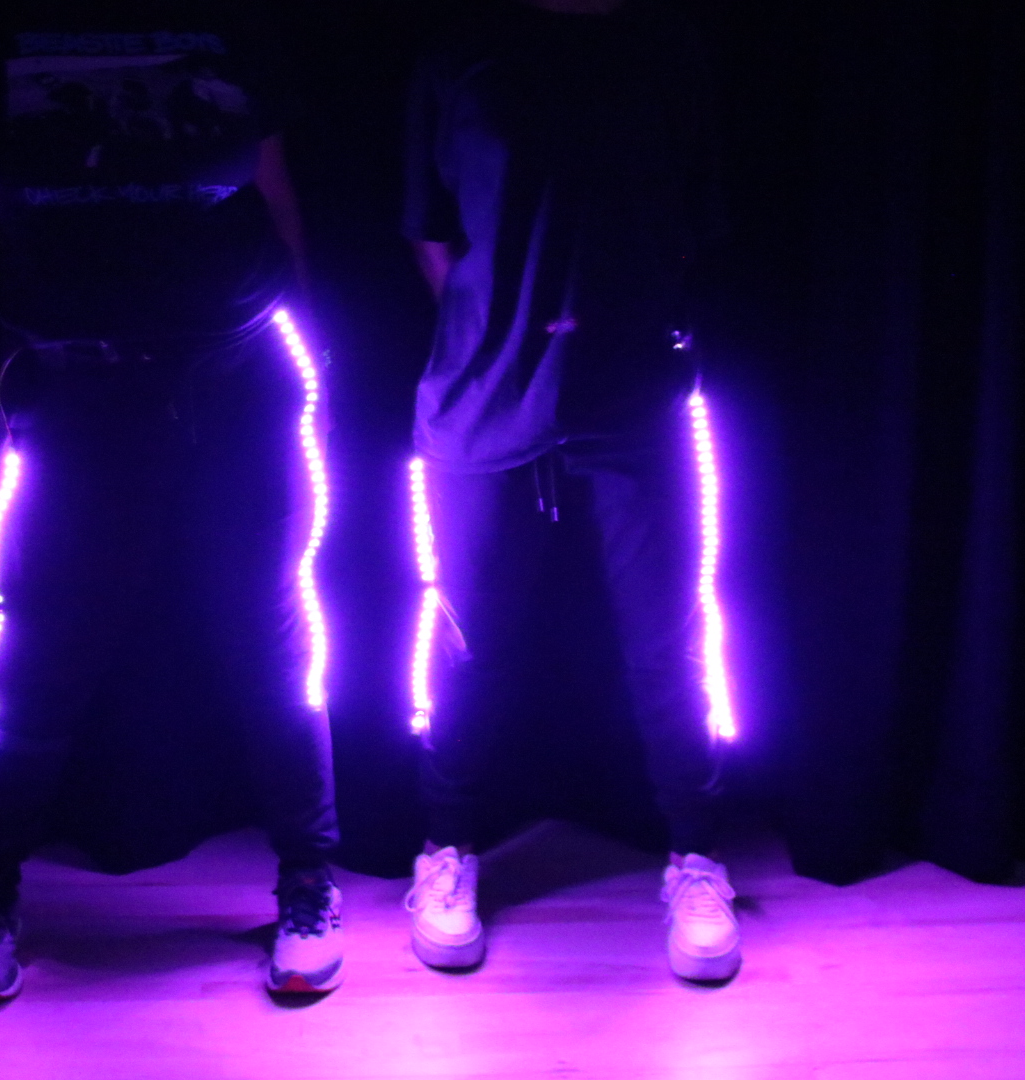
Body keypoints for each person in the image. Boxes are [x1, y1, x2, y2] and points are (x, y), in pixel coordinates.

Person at [0, 0, 341, 1001]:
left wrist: (313, 360)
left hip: (239, 379)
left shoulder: (236, 24)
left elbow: (274, 195)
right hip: (76, 387)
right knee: (42, 650)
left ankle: (310, 880)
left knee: (272, 634)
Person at [399, 0, 742, 982]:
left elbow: (694, 220)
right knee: (463, 640)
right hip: (482, 398)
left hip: (632, 394)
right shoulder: (460, 50)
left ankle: (695, 856)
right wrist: (506, 339)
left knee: (668, 640)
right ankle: (447, 847)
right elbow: (429, 231)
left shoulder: (668, 44)